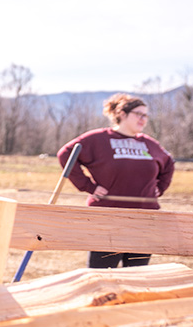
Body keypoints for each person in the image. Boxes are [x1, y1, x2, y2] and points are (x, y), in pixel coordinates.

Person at [57, 93, 175, 269]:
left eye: (146, 115)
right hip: (108, 218)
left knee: (136, 275)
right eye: (138, 114)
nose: (143, 119)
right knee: (102, 275)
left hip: (145, 219)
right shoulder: (99, 139)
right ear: (122, 114)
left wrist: (160, 188)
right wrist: (88, 186)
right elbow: (66, 154)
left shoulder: (150, 144)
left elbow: (169, 163)